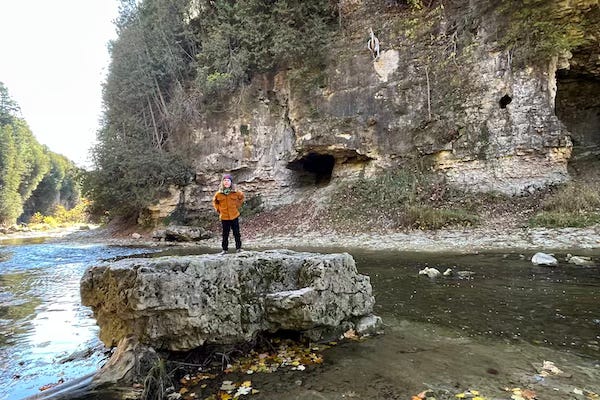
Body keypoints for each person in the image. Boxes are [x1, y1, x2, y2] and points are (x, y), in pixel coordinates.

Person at [212, 174, 245, 254]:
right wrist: (218, 209)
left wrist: (237, 206)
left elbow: (242, 197)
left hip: (234, 215)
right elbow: (215, 202)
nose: (226, 182)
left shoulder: (235, 192)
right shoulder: (218, 194)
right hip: (224, 217)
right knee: (225, 234)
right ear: (222, 182)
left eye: (228, 181)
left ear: (231, 182)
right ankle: (224, 250)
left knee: (236, 233)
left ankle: (239, 248)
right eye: (225, 181)